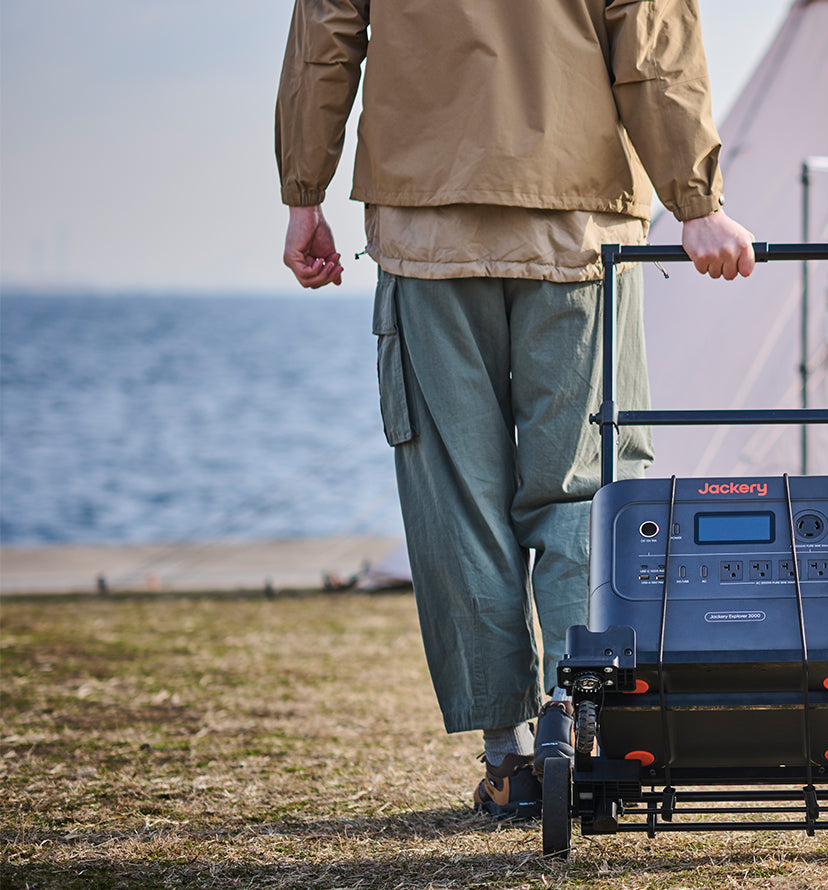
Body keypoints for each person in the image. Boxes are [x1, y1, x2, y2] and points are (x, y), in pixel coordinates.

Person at [274, 0, 755, 819]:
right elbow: (651, 46)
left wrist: (303, 193)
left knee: (457, 497)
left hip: (425, 221)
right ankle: (586, 728)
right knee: (585, 488)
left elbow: (326, 40)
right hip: (580, 224)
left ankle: (510, 757)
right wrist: (696, 200)